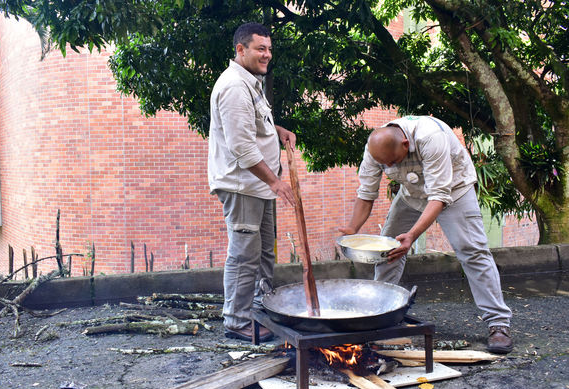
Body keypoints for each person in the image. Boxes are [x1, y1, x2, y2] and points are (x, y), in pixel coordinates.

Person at [339, 115, 513, 354]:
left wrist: (411, 235)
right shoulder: (375, 150)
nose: (389, 167)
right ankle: (380, 314)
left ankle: (498, 324)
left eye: (393, 162)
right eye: (384, 164)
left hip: (454, 191)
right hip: (412, 195)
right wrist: (352, 229)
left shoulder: (431, 137)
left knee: (472, 252)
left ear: (405, 145)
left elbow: (439, 196)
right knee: (388, 250)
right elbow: (366, 193)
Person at [208, 22, 296, 342]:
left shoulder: (251, 82)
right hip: (243, 185)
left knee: (264, 254)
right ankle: (236, 320)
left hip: (258, 186)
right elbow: (242, 147)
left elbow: (255, 125)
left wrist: (278, 130)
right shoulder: (233, 86)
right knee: (245, 254)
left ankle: (258, 307)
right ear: (240, 50)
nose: (267, 55)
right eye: (261, 48)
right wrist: (275, 182)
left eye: (269, 49)